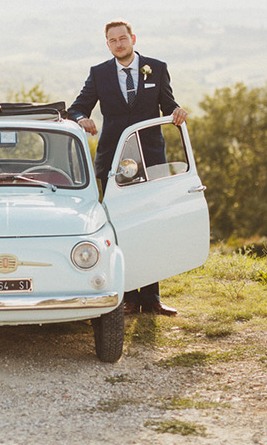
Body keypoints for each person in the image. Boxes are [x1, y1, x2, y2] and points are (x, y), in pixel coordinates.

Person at [67, 20, 187, 316]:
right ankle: (127, 296)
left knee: (150, 225)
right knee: (119, 226)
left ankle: (152, 298)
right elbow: (77, 107)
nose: (119, 44)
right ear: (107, 44)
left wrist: (177, 111)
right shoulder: (99, 74)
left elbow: (168, 104)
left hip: (150, 157)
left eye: (123, 38)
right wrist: (82, 118)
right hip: (114, 159)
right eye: (113, 40)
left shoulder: (156, 68)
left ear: (133, 38)